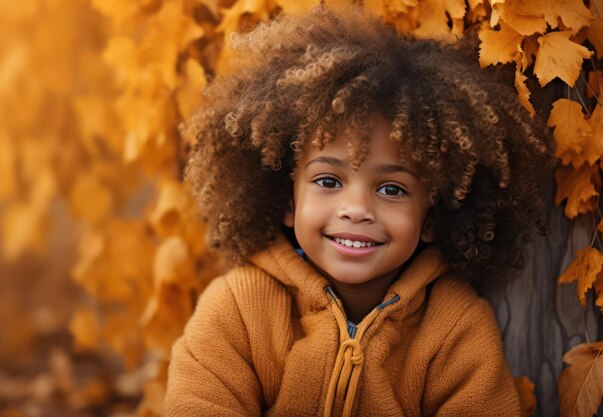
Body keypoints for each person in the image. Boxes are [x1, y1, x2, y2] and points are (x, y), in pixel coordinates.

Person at [164, 4, 555, 416]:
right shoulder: (237, 310)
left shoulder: (456, 329)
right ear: (287, 202)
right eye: (328, 181)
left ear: (433, 219)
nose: (356, 209)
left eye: (391, 188)